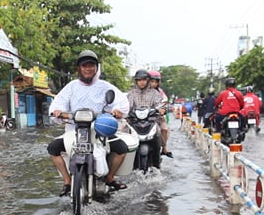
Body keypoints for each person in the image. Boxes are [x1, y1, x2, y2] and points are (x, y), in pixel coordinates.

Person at [47, 50, 130, 196]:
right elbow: (58, 103)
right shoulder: (71, 87)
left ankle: (110, 178)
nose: (88, 68)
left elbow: (121, 102)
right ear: (79, 68)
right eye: (84, 65)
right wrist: (57, 111)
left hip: (99, 130)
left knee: (122, 149)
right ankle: (67, 181)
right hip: (74, 131)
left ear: (96, 68)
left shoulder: (105, 86)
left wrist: (117, 110)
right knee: (52, 149)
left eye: (91, 65)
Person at [128, 69, 169, 157]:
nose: (141, 82)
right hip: (135, 121)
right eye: (139, 80)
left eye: (143, 80)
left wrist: (162, 109)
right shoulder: (131, 93)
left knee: (163, 129)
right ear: (136, 81)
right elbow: (127, 106)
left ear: (147, 80)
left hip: (152, 121)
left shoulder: (155, 93)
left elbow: (160, 104)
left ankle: (162, 148)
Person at [146, 71, 172, 157]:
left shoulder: (160, 92)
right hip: (143, 117)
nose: (153, 84)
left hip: (156, 116)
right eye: (151, 81)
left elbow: (165, 99)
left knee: (164, 128)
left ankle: (164, 148)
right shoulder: (141, 91)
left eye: (155, 82)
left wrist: (162, 107)